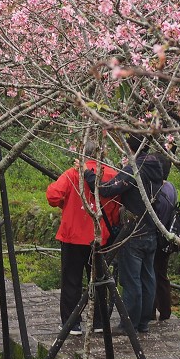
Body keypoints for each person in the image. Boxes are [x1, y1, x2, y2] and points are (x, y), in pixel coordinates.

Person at [84, 135, 164, 335]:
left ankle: (129, 323)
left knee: (132, 280)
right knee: (148, 277)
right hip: (151, 230)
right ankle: (144, 321)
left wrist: (87, 174)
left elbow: (107, 189)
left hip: (134, 231)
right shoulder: (155, 167)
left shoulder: (134, 170)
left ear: (131, 148)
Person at [46, 143, 120, 335]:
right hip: (99, 237)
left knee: (71, 279)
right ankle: (99, 321)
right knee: (98, 280)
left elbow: (53, 196)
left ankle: (72, 323)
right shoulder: (111, 174)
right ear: (102, 153)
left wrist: (66, 203)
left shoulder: (73, 173)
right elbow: (115, 207)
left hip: (72, 235)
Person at [151, 158, 177, 321]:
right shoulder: (171, 187)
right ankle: (165, 311)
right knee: (161, 274)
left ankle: (151, 312)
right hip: (168, 236)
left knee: (151, 274)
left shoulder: (156, 191)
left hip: (156, 237)